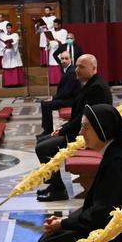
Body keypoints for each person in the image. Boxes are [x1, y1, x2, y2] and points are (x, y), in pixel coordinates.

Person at [32, 104, 122, 242]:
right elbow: (99, 206)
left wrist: (64, 223)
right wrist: (64, 222)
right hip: (114, 226)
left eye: (85, 128)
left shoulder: (119, 164)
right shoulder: (114, 153)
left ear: (102, 128)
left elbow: (102, 213)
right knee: (51, 240)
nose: (81, 133)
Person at [35, 54, 112, 201]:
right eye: (76, 66)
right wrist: (63, 129)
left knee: (43, 148)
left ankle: (58, 190)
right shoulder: (90, 84)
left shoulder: (96, 88)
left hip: (90, 137)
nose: (77, 70)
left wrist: (63, 130)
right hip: (82, 132)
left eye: (81, 67)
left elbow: (85, 119)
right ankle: (54, 185)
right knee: (42, 142)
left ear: (94, 68)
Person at [37, 51, 81, 137]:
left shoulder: (71, 71)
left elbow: (67, 92)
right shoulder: (66, 69)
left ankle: (47, 131)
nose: (64, 61)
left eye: (66, 59)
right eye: (62, 59)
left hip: (71, 100)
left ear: (71, 60)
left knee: (46, 104)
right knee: (44, 103)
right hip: (67, 98)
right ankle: (47, 129)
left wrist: (53, 98)